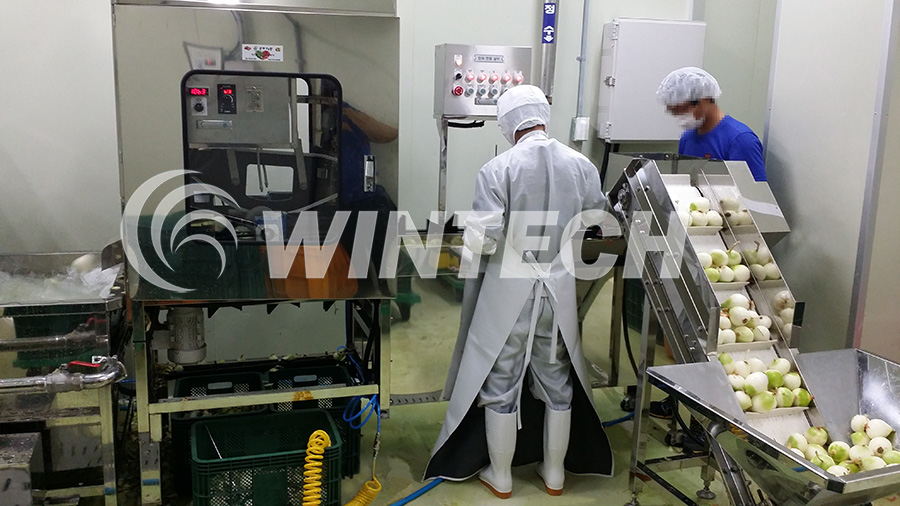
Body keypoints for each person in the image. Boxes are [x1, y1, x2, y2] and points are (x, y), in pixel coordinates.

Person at [424, 85, 614, 498]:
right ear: (543, 115)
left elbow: (485, 239)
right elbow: (598, 217)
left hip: (510, 294)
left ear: (508, 124)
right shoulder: (582, 165)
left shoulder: (498, 169)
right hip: (558, 289)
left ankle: (501, 475)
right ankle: (554, 473)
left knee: (501, 377)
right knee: (557, 376)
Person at [658, 67, 767, 181]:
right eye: (674, 112)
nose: (679, 117)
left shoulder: (740, 140)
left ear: (704, 100)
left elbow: (754, 190)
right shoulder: (687, 139)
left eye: (682, 110)